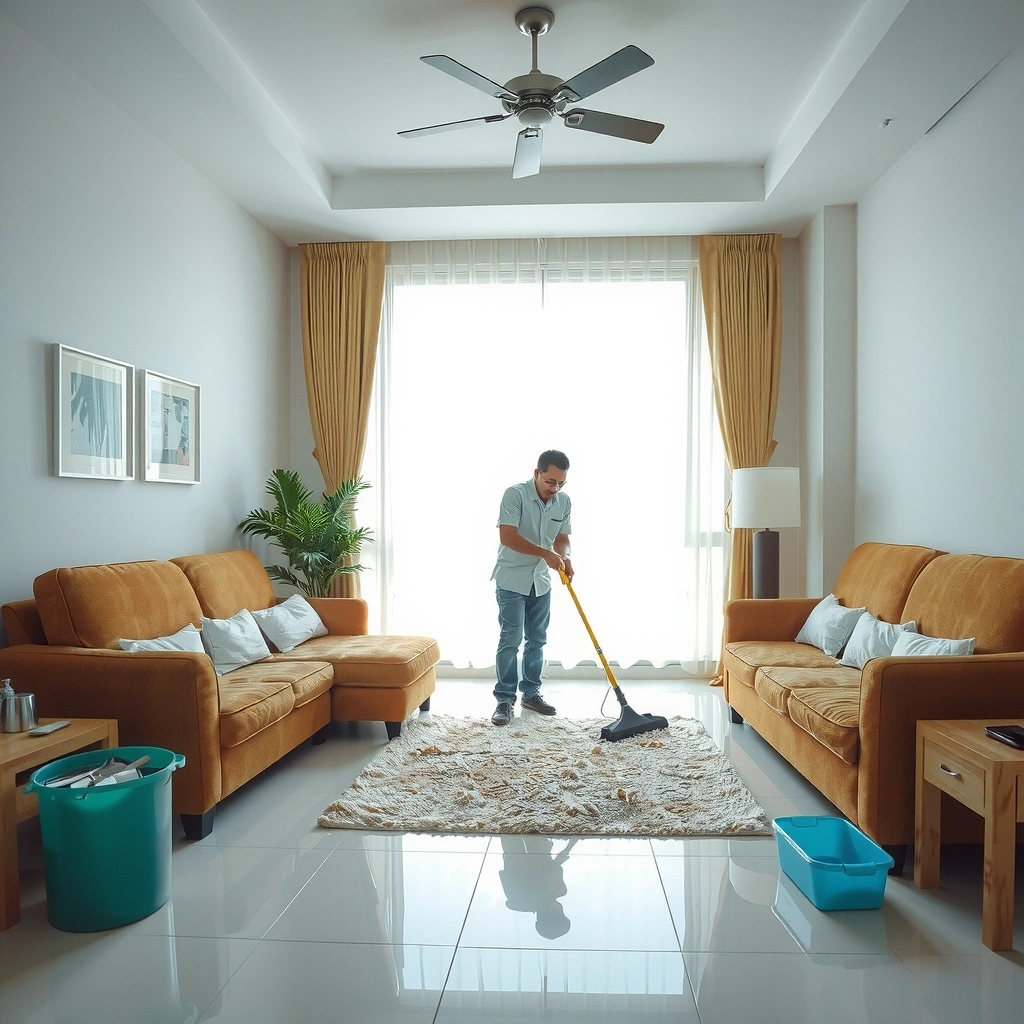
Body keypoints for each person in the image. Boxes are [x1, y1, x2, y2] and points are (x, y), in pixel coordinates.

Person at [490, 450, 573, 727]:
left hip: (542, 582)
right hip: (511, 579)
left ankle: (531, 693)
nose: (555, 488)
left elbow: (562, 538)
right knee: (510, 640)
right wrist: (545, 554)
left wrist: (565, 556)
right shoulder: (514, 495)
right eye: (550, 481)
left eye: (561, 483)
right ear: (536, 473)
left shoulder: (563, 502)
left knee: (537, 639)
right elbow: (508, 536)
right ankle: (504, 699)